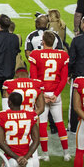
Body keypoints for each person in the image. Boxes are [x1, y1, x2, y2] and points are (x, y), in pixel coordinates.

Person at [29, 30, 70, 160]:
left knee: (42, 124)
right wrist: (56, 94)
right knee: (59, 123)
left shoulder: (36, 54)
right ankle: (66, 153)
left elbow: (34, 79)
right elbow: (64, 79)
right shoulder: (62, 55)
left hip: (42, 94)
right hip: (55, 94)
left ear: (43, 42)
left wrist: (42, 95)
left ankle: (45, 154)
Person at [0, 91, 40, 167]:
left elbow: (1, 142)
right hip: (26, 161)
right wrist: (25, 157)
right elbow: (36, 140)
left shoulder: (2, 115)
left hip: (10, 159)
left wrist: (16, 157)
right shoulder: (31, 115)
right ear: (21, 102)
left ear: (9, 102)